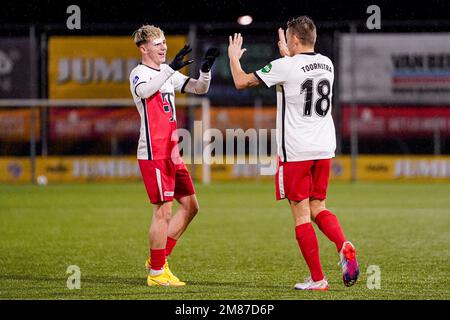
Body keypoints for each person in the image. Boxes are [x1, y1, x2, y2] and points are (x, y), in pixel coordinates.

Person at [228, 16, 359, 290]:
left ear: (295, 40)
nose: (286, 42)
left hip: (297, 151)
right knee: (318, 207)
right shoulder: (327, 63)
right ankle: (342, 243)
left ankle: (318, 279)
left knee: (301, 215)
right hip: (324, 147)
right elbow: (302, 72)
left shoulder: (284, 66)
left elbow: (241, 82)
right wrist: (289, 57)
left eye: (288, 38)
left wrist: (233, 58)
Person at [129, 25, 219, 286]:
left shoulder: (166, 74)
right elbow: (145, 92)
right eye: (157, 43)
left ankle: (159, 259)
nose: (164, 47)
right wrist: (170, 68)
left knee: (191, 206)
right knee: (162, 212)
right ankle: (157, 273)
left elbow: (200, 88)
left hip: (172, 153)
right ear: (144, 49)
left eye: (165, 42)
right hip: (154, 152)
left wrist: (206, 69)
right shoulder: (139, 73)